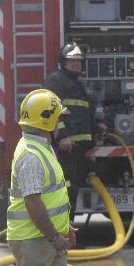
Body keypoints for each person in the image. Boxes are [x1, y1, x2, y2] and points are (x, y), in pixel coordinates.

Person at [1, 89, 90, 266]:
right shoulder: (30, 154)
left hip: (49, 238)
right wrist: (54, 236)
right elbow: (33, 201)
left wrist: (65, 230)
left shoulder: (41, 146)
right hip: (34, 240)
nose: (60, 123)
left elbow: (50, 198)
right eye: (57, 118)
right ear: (47, 121)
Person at [42, 43, 95, 221]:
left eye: (79, 62)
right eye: (72, 62)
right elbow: (51, 110)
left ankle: (67, 230)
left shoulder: (77, 84)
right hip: (65, 148)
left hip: (78, 148)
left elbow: (84, 110)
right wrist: (62, 136)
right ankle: (64, 229)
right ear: (62, 62)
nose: (76, 65)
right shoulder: (55, 81)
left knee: (74, 188)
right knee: (67, 188)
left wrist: (99, 125)